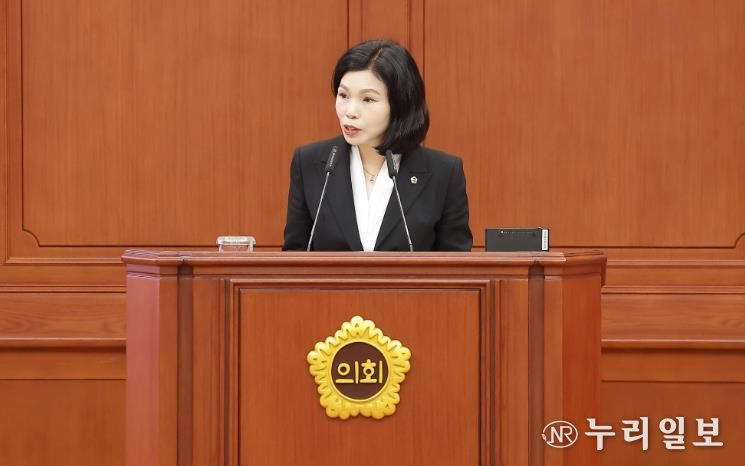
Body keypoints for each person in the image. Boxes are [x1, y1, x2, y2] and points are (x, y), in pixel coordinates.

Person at [282, 39, 472, 251]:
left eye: (368, 99)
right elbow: (294, 256)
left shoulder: (444, 173)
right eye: (343, 95)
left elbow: (456, 265)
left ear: (400, 104)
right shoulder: (310, 163)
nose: (350, 111)